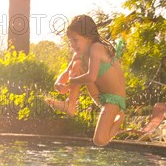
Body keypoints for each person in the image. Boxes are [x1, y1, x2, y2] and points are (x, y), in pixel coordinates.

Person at [48, 15, 126, 147]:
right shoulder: (79, 54)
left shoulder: (97, 47)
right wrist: (58, 83)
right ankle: (70, 105)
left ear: (88, 37)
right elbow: (67, 72)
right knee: (77, 63)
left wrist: (70, 83)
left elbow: (91, 77)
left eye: (75, 40)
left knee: (100, 140)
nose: (72, 45)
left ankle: (119, 119)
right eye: (70, 41)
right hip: (99, 97)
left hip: (114, 99)